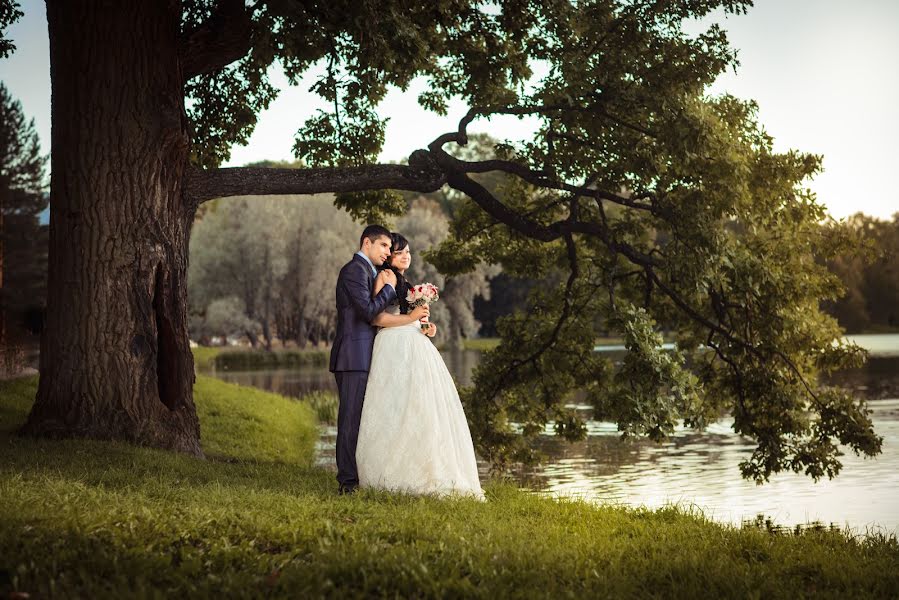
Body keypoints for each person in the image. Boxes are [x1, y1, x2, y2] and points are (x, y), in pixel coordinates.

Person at [355, 232, 485, 500]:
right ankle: (393, 472)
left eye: (408, 252)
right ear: (389, 254)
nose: (406, 256)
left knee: (421, 407)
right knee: (398, 407)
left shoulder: (404, 281)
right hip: (394, 346)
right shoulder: (386, 277)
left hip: (413, 342)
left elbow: (406, 315)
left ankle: (426, 466)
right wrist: (411, 318)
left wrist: (423, 325)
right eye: (399, 251)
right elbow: (377, 318)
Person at [329, 225, 429, 495]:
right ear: (367, 243)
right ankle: (347, 484)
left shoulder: (369, 272)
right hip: (353, 356)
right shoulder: (354, 271)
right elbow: (367, 311)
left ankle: (362, 476)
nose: (388, 252)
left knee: (363, 420)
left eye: (389, 248)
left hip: (366, 354)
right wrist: (390, 289)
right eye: (384, 246)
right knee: (350, 421)